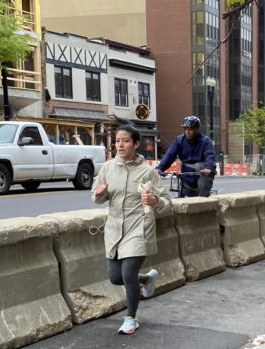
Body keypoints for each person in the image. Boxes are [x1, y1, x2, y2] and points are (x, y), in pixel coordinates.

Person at [92, 123, 171, 335]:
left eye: (125, 141)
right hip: (114, 229)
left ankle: (131, 318)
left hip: (138, 228)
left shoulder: (147, 172)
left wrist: (155, 200)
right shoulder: (107, 168)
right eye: (117, 141)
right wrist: (100, 193)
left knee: (128, 273)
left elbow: (167, 203)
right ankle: (146, 279)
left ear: (136, 144)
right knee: (115, 277)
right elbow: (96, 197)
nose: (120, 145)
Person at [156, 116, 216, 197]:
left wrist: (208, 168)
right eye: (185, 129)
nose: (187, 132)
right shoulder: (179, 140)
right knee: (183, 194)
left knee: (203, 188)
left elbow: (210, 156)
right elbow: (169, 155)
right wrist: (160, 168)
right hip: (187, 174)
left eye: (190, 129)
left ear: (197, 129)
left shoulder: (206, 141)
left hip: (202, 173)